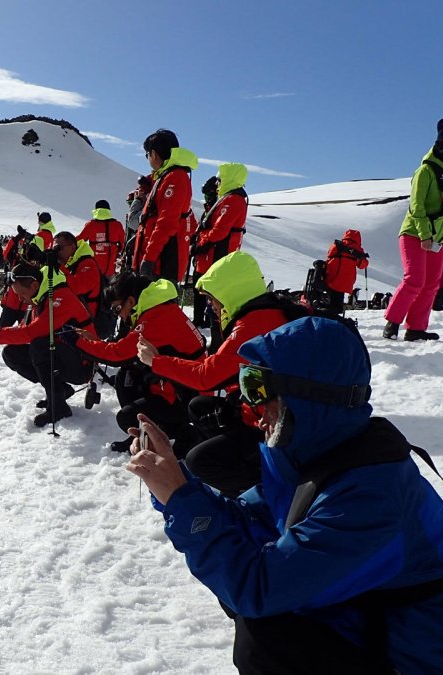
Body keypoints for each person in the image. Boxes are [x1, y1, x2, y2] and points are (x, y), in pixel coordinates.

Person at [126, 316, 443, 674]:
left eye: (261, 390)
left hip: (409, 660)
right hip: (367, 622)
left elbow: (258, 587)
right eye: (249, 386)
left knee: (264, 634)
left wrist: (181, 499)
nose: (253, 409)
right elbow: (250, 521)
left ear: (309, 398)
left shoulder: (372, 497)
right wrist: (179, 488)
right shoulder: (311, 454)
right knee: (254, 602)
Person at [137, 251, 305, 497]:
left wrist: (156, 361)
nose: (213, 308)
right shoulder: (271, 311)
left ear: (230, 293)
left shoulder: (253, 325)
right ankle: (246, 467)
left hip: (283, 431)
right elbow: (218, 368)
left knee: (199, 461)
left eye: (213, 300)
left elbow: (207, 377)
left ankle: (260, 492)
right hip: (282, 415)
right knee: (200, 406)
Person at [72, 273, 205, 453]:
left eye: (117, 309)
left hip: (186, 398)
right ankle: (144, 433)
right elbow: (123, 348)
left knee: (126, 418)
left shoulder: (155, 318)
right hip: (180, 386)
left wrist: (78, 343)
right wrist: (92, 341)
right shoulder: (158, 308)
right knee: (127, 375)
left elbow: (117, 354)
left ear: (131, 301)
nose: (118, 315)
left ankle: (182, 431)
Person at [0, 262, 97, 427]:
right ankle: (60, 391)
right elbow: (24, 330)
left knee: (40, 345)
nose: (20, 299)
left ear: (35, 285)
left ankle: (58, 407)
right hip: (65, 356)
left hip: (83, 364)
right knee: (11, 353)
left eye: (22, 293)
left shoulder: (60, 297)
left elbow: (32, 333)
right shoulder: (40, 299)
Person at [383, 118, 443, 341]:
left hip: (439, 238)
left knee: (432, 285)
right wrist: (424, 234)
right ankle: (392, 323)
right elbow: (416, 206)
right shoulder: (425, 171)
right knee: (414, 280)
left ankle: (416, 329)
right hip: (415, 233)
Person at [130, 129, 198, 284]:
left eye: (147, 154)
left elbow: (166, 223)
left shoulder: (175, 177)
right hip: (158, 261)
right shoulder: (167, 177)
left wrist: (149, 258)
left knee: (159, 307)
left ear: (153, 154)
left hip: (162, 263)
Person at [193, 163, 249, 329]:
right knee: (208, 295)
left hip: (217, 255)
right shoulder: (230, 199)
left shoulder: (233, 200)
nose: (217, 183)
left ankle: (217, 338)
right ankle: (210, 329)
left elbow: (219, 231)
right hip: (212, 255)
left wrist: (200, 245)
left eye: (219, 179)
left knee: (215, 300)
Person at [54, 231, 112, 337]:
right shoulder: (70, 263)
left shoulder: (88, 264)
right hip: (73, 320)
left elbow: (76, 287)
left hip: (88, 325)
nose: (57, 252)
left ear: (72, 247)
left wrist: (58, 266)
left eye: (59, 248)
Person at [323, 229, 370, 315]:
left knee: (332, 301)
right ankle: (332, 319)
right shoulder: (358, 250)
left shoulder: (337, 245)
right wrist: (363, 257)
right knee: (337, 305)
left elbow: (329, 254)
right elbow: (362, 265)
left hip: (331, 276)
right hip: (344, 282)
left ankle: (328, 315)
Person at [75, 200, 126, 278]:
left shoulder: (90, 225)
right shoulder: (117, 225)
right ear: (108, 211)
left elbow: (79, 240)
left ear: (96, 211)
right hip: (110, 269)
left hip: (94, 270)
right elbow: (123, 244)